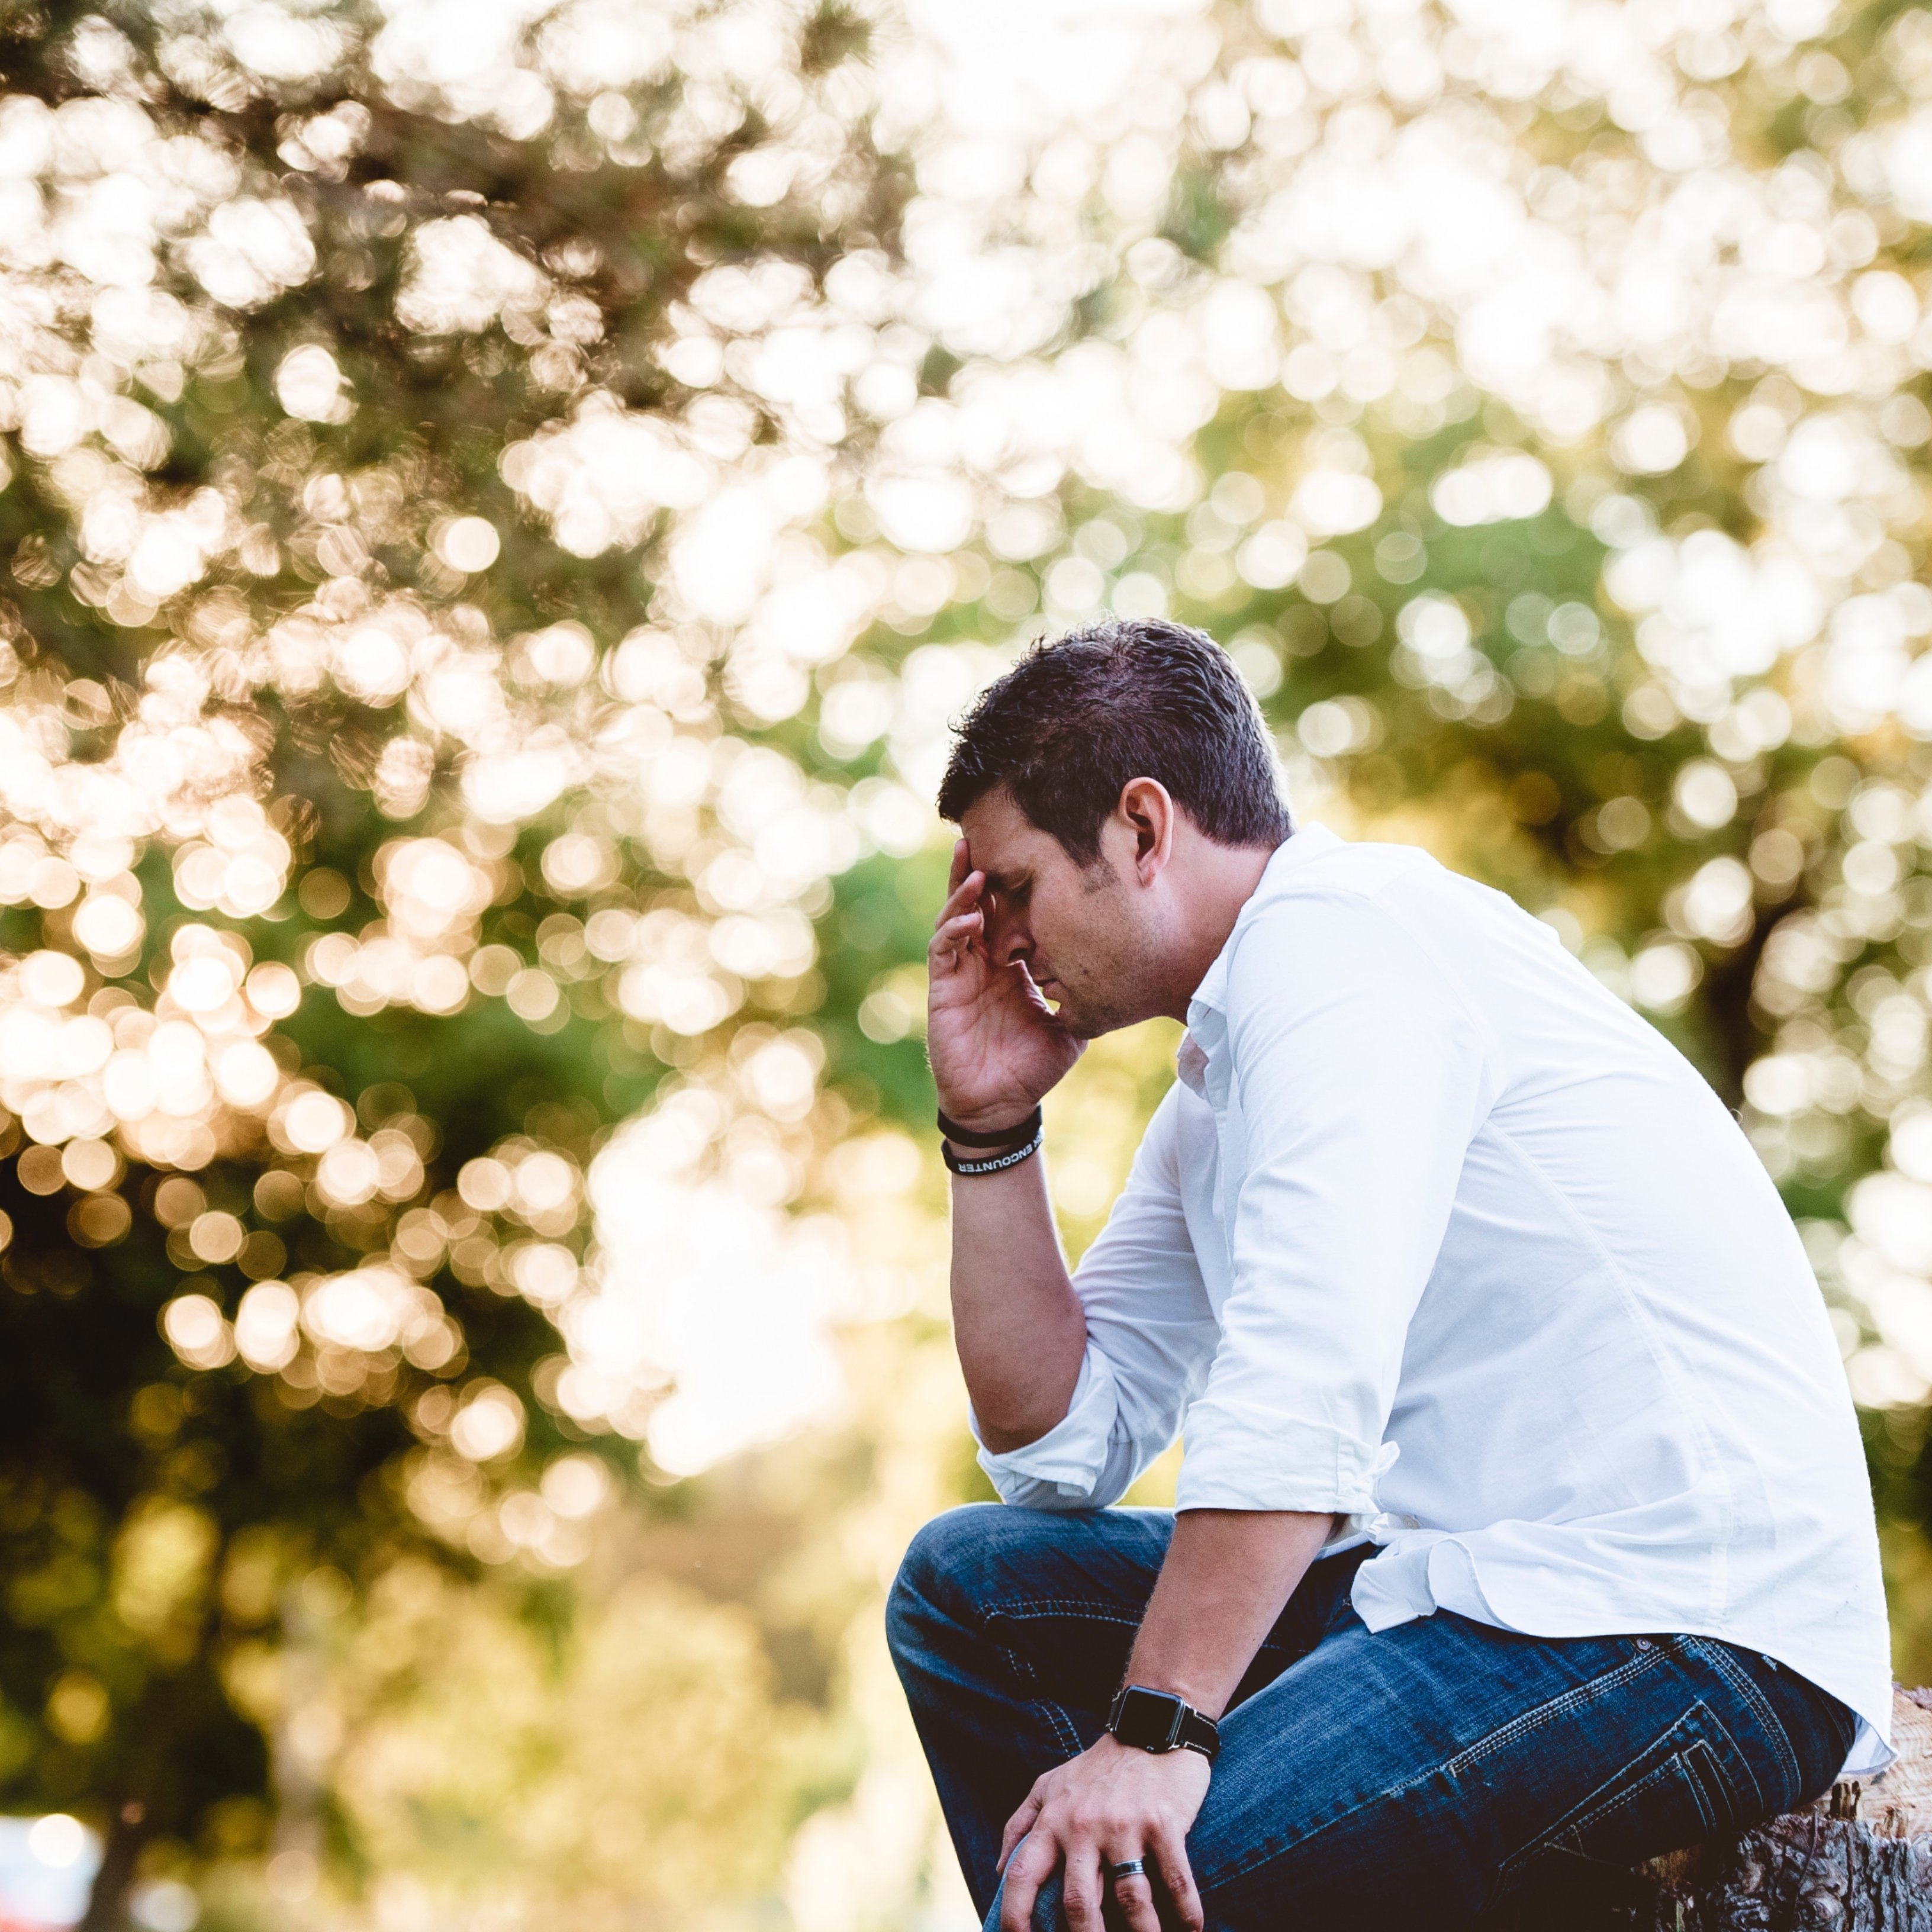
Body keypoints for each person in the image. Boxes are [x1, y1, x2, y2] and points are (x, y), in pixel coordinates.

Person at [885, 619, 1892, 1932]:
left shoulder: (1345, 952)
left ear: (1142, 830)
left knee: (1129, 1898)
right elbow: (1063, 1444)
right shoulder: (1227, 1075)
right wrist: (990, 1131)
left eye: (1013, 885)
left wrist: (1151, 1738)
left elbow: (1304, 1385)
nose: (1000, 939)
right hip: (1457, 1592)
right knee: (975, 1589)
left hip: (1677, 1627)